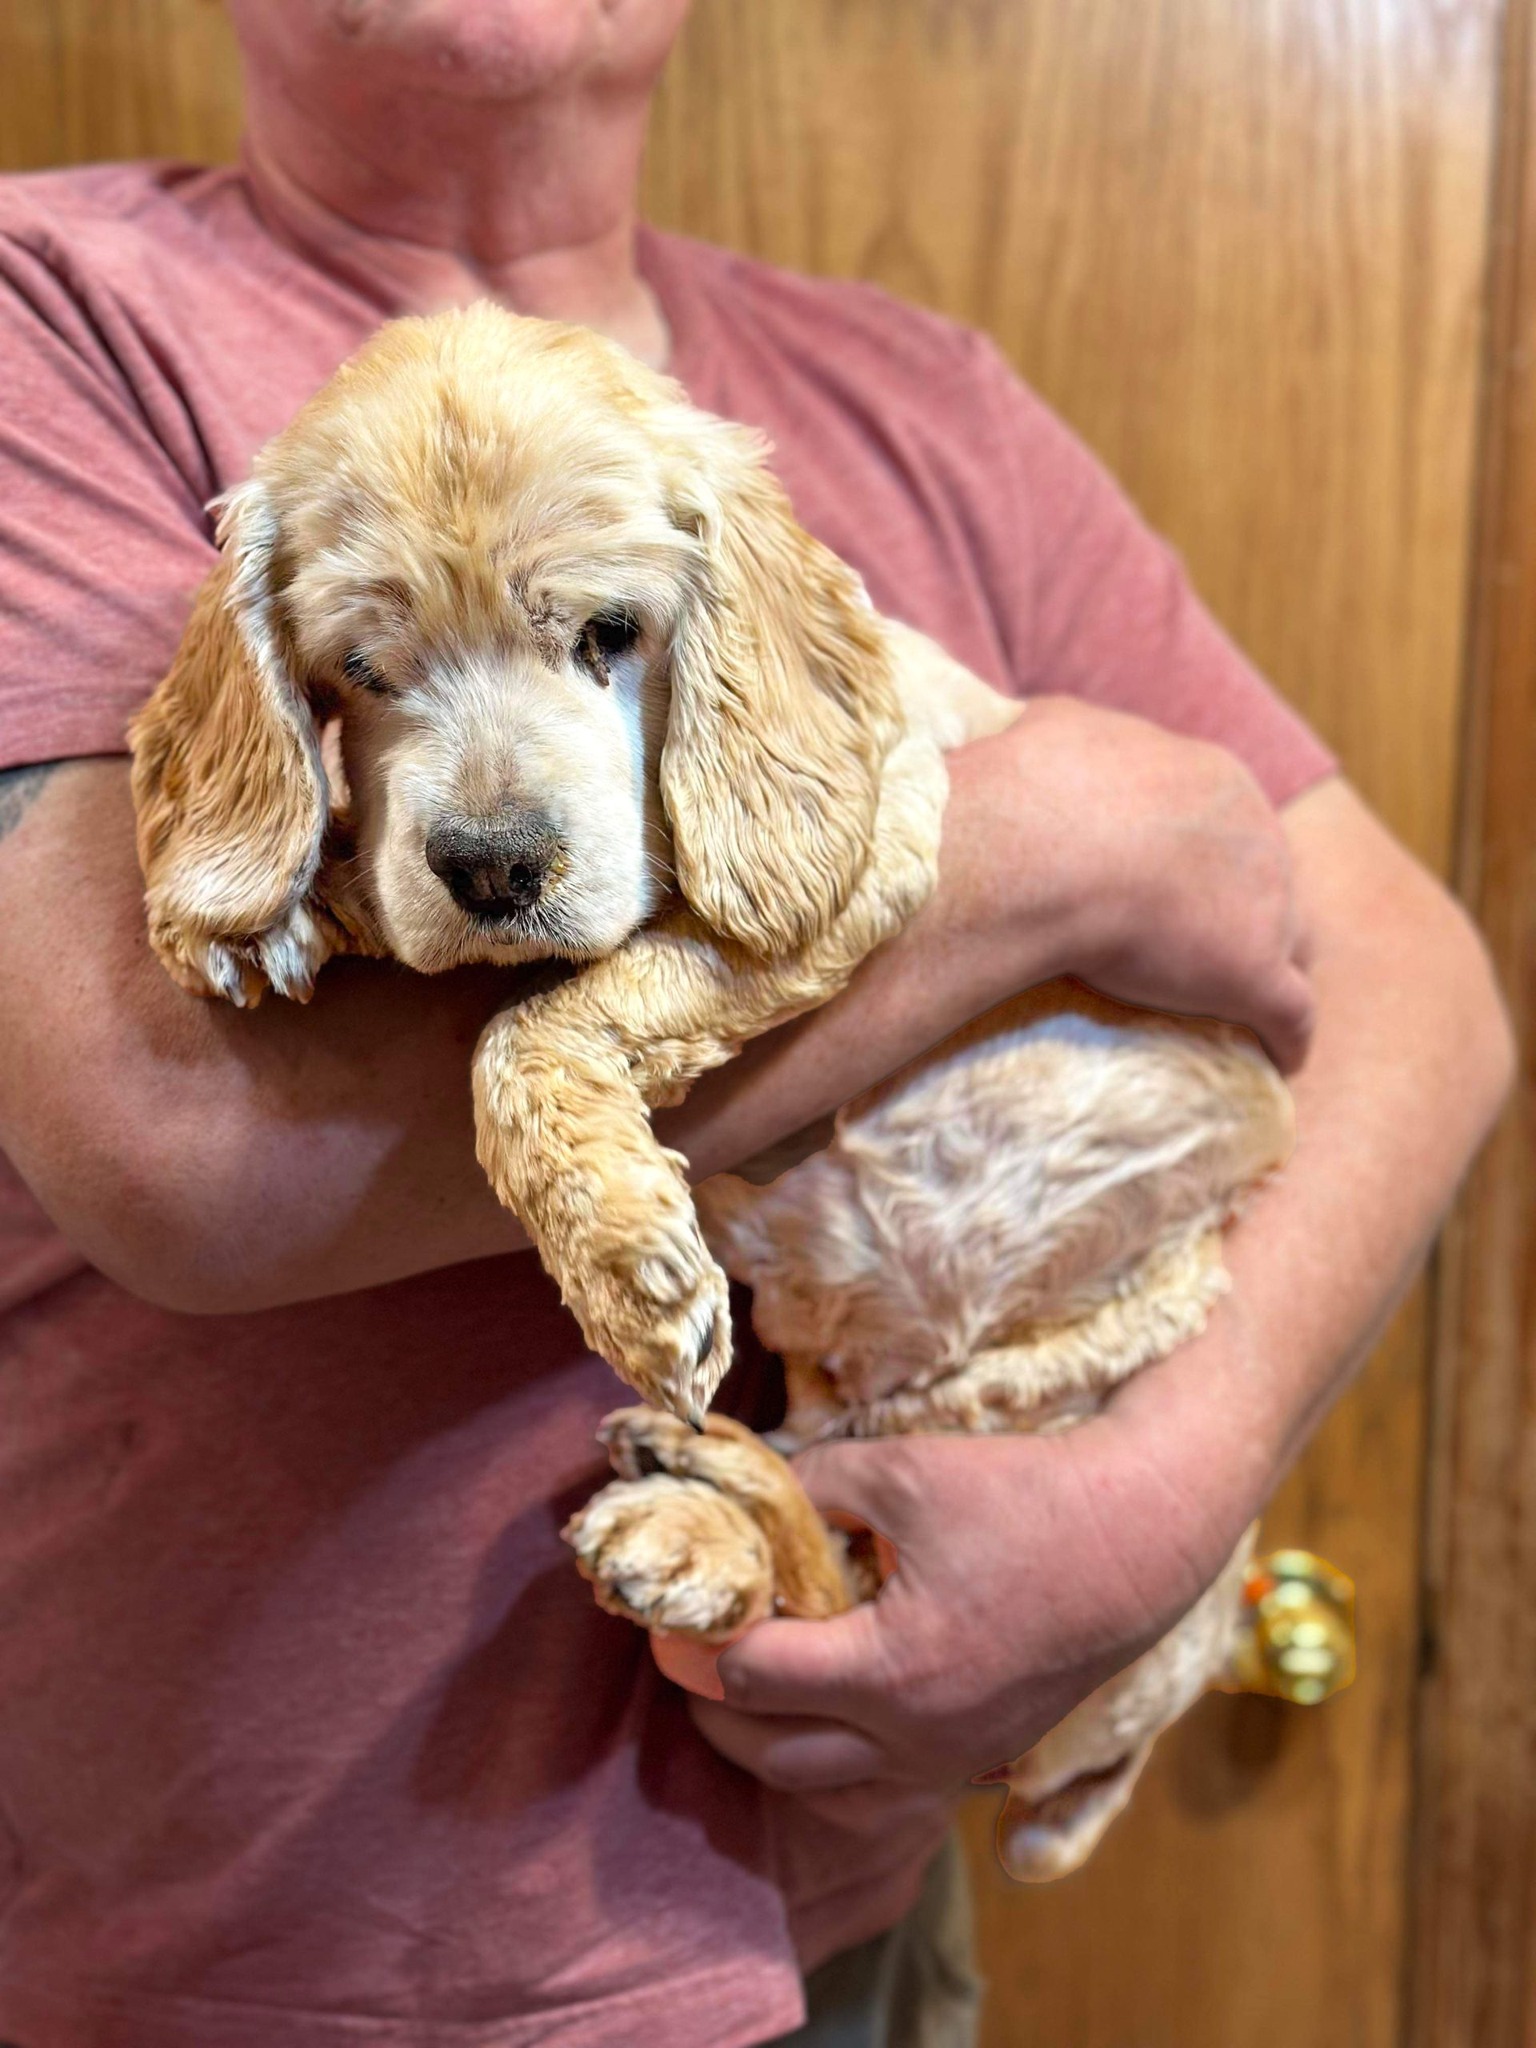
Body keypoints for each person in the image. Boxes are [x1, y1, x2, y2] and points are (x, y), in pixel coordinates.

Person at [0, 3, 1512, 2045]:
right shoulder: (49, 315)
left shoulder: (916, 395)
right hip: (253, 1966)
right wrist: (1043, 852)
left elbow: (1422, 981)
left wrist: (1171, 1481)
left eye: (596, 631)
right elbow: (178, 1150)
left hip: (833, 1919)